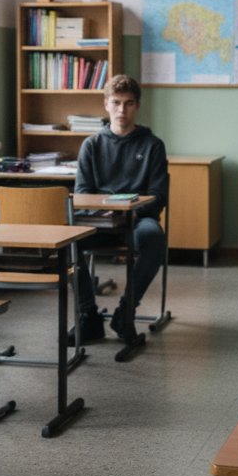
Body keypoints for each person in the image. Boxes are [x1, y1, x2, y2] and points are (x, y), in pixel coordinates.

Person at [72, 74, 168, 343]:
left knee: (153, 238)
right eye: (116, 103)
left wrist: (132, 211)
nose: (121, 110)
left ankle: (125, 313)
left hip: (138, 219)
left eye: (128, 103)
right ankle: (87, 316)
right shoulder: (91, 145)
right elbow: (82, 193)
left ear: (137, 106)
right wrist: (104, 212)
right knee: (69, 242)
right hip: (99, 222)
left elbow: (159, 196)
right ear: (106, 104)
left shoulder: (153, 145)